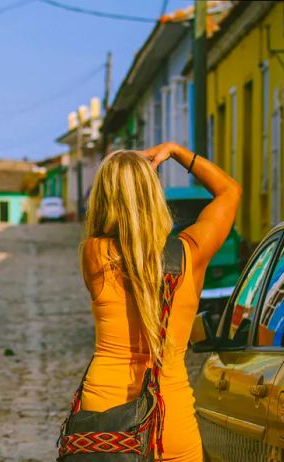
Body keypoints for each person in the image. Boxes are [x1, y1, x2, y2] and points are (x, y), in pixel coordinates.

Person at [79, 143, 241, 461]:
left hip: (104, 411)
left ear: (102, 197)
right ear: (153, 194)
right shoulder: (191, 254)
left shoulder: (94, 253)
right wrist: (177, 152)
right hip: (169, 416)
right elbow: (229, 192)